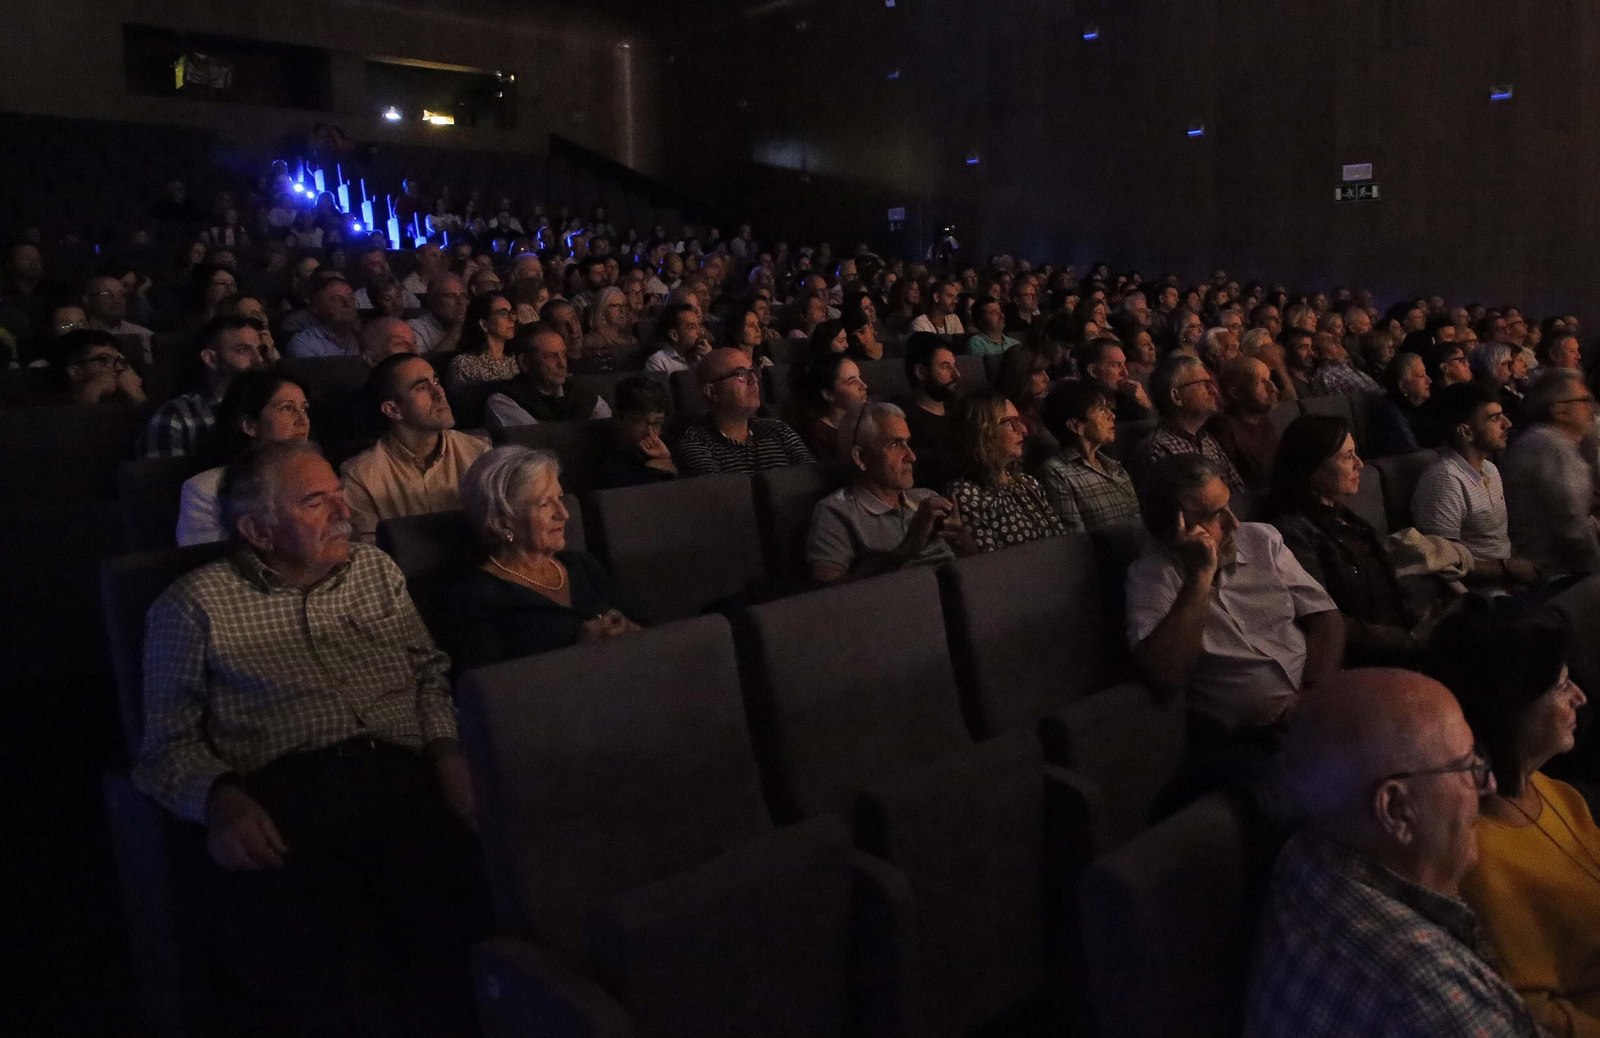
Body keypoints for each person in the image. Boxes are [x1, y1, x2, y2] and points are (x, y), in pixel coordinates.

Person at [134, 439, 489, 1037]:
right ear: (258, 529)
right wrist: (220, 799)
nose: (343, 510)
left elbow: (428, 673)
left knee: (465, 943)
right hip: (291, 799)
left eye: (338, 494)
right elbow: (167, 744)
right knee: (339, 978)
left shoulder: (375, 571)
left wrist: (448, 754)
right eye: (315, 502)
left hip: (405, 777)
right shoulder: (194, 605)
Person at [1244, 668, 1541, 1038]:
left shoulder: (1307, 849)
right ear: (1397, 810)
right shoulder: (1430, 996)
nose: (1489, 785)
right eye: (1467, 768)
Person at [1428, 609, 1600, 1038]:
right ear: (1509, 709)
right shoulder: (1477, 857)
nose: (1580, 697)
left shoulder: (1554, 792)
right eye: (1561, 686)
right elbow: (1536, 1015)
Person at [1126, 453, 1342, 740]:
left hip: (1319, 702)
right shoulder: (1151, 577)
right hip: (1251, 737)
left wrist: (1314, 695)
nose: (1234, 523)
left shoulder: (1262, 540)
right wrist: (1199, 576)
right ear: (1173, 528)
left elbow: (1325, 616)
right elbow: (1167, 674)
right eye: (1214, 514)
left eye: (1228, 506)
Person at [441, 446, 641, 670]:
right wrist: (579, 652)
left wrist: (629, 630)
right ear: (502, 521)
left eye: (560, 498)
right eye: (544, 504)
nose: (564, 514)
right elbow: (491, 686)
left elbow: (651, 633)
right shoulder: (474, 597)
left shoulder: (584, 565)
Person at [1268, 414, 1430, 665]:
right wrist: (1410, 641)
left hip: (1396, 644)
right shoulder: (1293, 533)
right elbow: (1325, 619)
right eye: (1346, 457)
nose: (1359, 464)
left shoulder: (1346, 518)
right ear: (1311, 468)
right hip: (1363, 661)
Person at [807, 401, 977, 584]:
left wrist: (966, 545)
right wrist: (905, 550)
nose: (911, 456)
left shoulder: (926, 497)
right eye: (895, 444)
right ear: (861, 457)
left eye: (908, 443)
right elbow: (828, 592)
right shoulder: (836, 512)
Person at [340, 354, 491, 543]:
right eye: (421, 387)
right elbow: (370, 551)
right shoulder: (360, 476)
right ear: (393, 409)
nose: (440, 393)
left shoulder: (479, 453)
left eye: (436, 381)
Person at [1411, 382, 1544, 590]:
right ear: (1466, 432)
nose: (1507, 424)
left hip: (1508, 584)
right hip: (1483, 594)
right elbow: (1444, 563)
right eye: (1494, 418)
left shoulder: (1490, 469)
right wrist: (1507, 568)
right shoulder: (1445, 480)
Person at [177, 371, 311, 545]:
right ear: (249, 426)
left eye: (304, 409)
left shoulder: (321, 478)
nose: (303, 420)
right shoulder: (206, 490)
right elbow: (206, 557)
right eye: (287, 408)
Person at [1501, 369, 1600, 579]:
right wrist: (1596, 569)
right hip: (1553, 575)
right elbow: (1571, 526)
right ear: (1560, 411)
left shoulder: (1549, 442)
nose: (1591, 407)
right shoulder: (1550, 446)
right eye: (1584, 400)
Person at [945, 390, 1067, 553]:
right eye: (1011, 422)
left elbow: (1060, 539)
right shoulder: (966, 493)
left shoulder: (1028, 484)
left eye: (1019, 421)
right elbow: (989, 561)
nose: (1023, 429)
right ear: (983, 432)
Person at [672, 348, 814, 476]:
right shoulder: (695, 444)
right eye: (741, 374)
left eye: (753, 371)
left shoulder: (780, 430)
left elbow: (811, 479)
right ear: (712, 392)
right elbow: (720, 494)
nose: (754, 380)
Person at [143, 317, 267, 457]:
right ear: (210, 359)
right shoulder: (177, 416)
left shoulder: (273, 404)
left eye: (260, 350)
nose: (259, 359)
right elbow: (164, 471)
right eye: (243, 350)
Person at [1130, 353, 1247, 493]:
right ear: (1177, 396)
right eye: (1204, 384)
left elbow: (1239, 492)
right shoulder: (1157, 450)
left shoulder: (1207, 440)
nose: (1214, 390)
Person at [1035, 379, 1141, 532]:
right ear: (1075, 425)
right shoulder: (1057, 472)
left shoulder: (1113, 466)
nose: (1112, 415)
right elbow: (1074, 537)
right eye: (1102, 409)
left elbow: (1137, 523)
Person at [483, 325, 612, 433]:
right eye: (551, 356)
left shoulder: (582, 393)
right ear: (525, 362)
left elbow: (608, 432)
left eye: (563, 354)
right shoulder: (506, 401)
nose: (562, 364)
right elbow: (540, 441)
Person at [897, 332, 964, 490]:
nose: (957, 374)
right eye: (945, 366)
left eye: (954, 365)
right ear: (921, 372)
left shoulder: (961, 409)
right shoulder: (903, 421)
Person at [1208, 356, 1282, 489]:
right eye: (1262, 382)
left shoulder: (1263, 419)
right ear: (1235, 393)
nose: (1273, 389)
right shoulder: (1224, 427)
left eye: (1269, 380)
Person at [791, 350, 869, 461]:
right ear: (828, 395)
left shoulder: (868, 421)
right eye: (852, 382)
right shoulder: (817, 436)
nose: (864, 386)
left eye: (859, 377)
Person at [600, 375, 677, 488]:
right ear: (617, 418)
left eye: (656, 423)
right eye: (639, 421)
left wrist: (666, 461)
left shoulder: (668, 447)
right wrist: (653, 471)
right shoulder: (603, 459)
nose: (650, 433)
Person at [48, 329, 146, 406]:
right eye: (104, 359)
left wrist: (138, 396)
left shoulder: (126, 403)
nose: (119, 368)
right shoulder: (50, 409)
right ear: (75, 372)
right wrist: (91, 395)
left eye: (119, 360)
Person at [446, 292, 519, 384]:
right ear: (483, 324)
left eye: (512, 313)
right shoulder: (464, 365)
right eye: (503, 313)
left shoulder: (516, 361)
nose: (511, 319)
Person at [81, 273, 154, 364]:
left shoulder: (143, 335)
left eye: (121, 294)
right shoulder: (79, 335)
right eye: (107, 294)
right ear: (87, 300)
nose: (117, 300)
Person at [284, 274, 360, 358]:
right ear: (317, 308)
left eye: (350, 298)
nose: (347, 304)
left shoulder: (361, 335)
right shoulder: (304, 344)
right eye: (338, 299)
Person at [1079, 336, 1153, 421]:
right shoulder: (1082, 410)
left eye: (1124, 363)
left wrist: (1145, 402)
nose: (1125, 372)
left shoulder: (1130, 398)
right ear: (1093, 371)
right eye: (1116, 365)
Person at [578, 285, 639, 373]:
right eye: (616, 306)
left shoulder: (631, 339)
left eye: (624, 305)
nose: (622, 311)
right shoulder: (592, 342)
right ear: (602, 309)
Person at [407, 274, 469, 353]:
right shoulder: (415, 328)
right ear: (432, 301)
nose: (460, 302)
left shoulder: (474, 323)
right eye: (450, 296)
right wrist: (455, 333)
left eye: (463, 296)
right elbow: (421, 360)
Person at [1309, 329, 1382, 396]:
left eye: (1336, 340)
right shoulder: (1326, 376)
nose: (1338, 343)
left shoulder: (1350, 366)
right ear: (1317, 353)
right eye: (1330, 342)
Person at [644, 301, 711, 373]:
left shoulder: (700, 357)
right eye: (692, 327)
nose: (701, 331)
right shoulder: (658, 362)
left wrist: (710, 358)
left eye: (699, 325)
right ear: (674, 335)